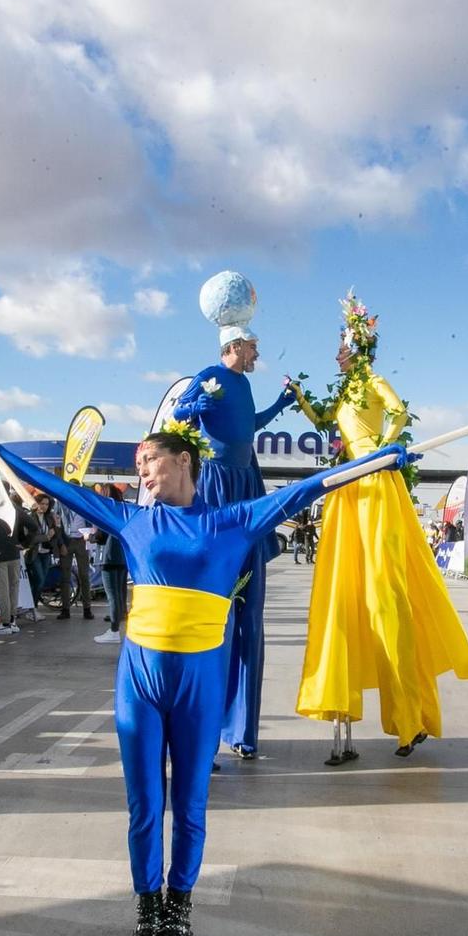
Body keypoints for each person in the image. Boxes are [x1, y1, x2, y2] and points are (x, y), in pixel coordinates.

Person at [0, 428, 409, 936]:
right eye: (139, 462)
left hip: (199, 688)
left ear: (183, 461)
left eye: (149, 460)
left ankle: (178, 912)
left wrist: (375, 462)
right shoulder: (133, 519)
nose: (141, 471)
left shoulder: (233, 521)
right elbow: (62, 490)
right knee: (144, 808)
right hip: (138, 684)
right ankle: (147, 910)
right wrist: (4, 458)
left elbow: (308, 489)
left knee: (189, 806)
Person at [288, 293, 468, 762]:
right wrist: (295, 395)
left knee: (389, 600)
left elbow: (398, 415)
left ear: (360, 347)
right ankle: (378, 718)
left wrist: (379, 449)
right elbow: (323, 419)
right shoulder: (345, 392)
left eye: (343, 344)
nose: (337, 352)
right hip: (349, 491)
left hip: (376, 486)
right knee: (349, 597)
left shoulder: (373, 380)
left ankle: (410, 719)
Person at [170, 315, 298, 759]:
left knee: (250, 611)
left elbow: (249, 425)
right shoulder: (211, 376)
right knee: (216, 608)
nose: (258, 352)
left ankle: (242, 730)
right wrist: (196, 407)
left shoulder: (242, 385)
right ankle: (204, 729)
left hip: (247, 481)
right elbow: (178, 414)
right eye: (253, 346)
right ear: (236, 345)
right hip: (220, 485)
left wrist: (282, 404)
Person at [0, 494, 27, 635]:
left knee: (3, 590)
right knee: (13, 587)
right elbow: (32, 526)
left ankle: (5, 623)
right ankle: (12, 620)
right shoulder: (14, 508)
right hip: (14, 553)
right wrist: (24, 542)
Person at [93, 485, 130, 645]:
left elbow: (100, 536)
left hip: (108, 557)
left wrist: (90, 537)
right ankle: (121, 626)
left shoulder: (105, 511)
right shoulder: (124, 510)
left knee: (112, 595)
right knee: (120, 594)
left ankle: (114, 630)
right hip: (122, 556)